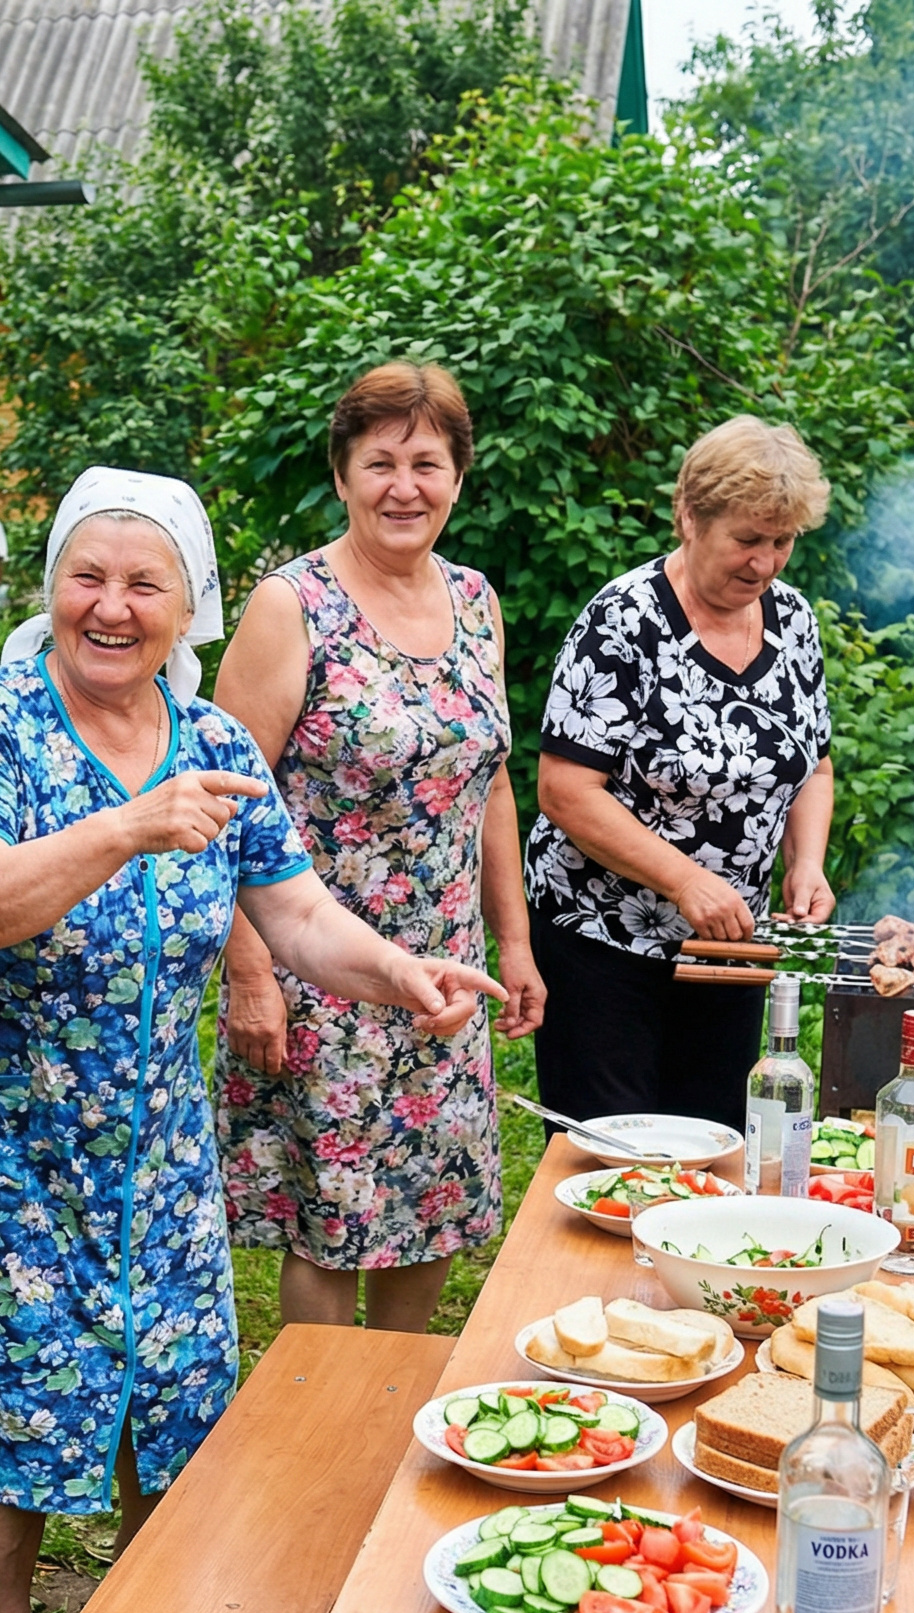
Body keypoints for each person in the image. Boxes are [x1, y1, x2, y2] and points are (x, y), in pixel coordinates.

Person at [0, 467, 504, 1613]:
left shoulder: (208, 741)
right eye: (84, 578)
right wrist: (124, 827)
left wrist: (397, 969)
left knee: (177, 1377)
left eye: (140, 583)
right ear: (48, 590)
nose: (109, 606)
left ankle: (143, 1610)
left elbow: (297, 910)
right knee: (22, 1381)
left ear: (187, 604)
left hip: (150, 1129)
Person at [211, 361, 547, 1336]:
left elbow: (488, 778)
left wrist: (512, 941)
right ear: (341, 473)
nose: (404, 486)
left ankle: (391, 1418)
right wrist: (246, 971)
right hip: (321, 968)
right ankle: (317, 1441)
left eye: (427, 463)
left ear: (456, 477)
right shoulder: (292, 605)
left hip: (445, 968)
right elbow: (224, 801)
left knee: (432, 1206)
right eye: (379, 462)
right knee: (330, 1221)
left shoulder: (476, 599)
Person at [524, 415, 837, 1131]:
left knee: (717, 1142)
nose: (765, 563)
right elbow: (566, 792)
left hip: (731, 946)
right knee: (607, 1154)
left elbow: (813, 763)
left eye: (782, 541)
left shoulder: (792, 620)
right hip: (604, 942)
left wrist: (806, 861)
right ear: (690, 517)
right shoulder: (622, 622)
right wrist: (686, 881)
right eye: (747, 540)